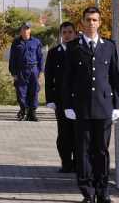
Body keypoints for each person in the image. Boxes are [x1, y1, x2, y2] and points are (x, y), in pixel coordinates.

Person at [63, 6, 119, 203]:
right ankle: (88, 193)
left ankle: (103, 191)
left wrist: (117, 105)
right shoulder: (73, 48)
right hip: (81, 108)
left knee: (102, 152)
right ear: (82, 22)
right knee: (83, 153)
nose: (91, 23)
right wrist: (68, 106)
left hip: (104, 107)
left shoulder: (109, 46)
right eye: (88, 20)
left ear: (100, 23)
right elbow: (67, 80)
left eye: (95, 20)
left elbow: (115, 77)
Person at [45, 21, 77, 173]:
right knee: (64, 134)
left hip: (78, 99)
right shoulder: (54, 52)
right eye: (64, 32)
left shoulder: (81, 50)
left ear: (75, 33)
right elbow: (49, 77)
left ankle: (78, 163)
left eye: (70, 32)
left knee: (78, 133)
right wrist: (50, 99)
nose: (67, 35)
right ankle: (66, 162)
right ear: (60, 35)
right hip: (61, 100)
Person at [8, 22, 43, 121]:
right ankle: (23, 110)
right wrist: (13, 73)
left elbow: (40, 57)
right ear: (21, 30)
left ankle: (32, 113)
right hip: (21, 70)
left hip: (34, 69)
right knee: (21, 92)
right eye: (24, 29)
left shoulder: (36, 42)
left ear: (30, 30)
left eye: (27, 29)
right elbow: (12, 58)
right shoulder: (16, 42)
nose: (25, 31)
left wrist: (40, 71)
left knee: (34, 91)